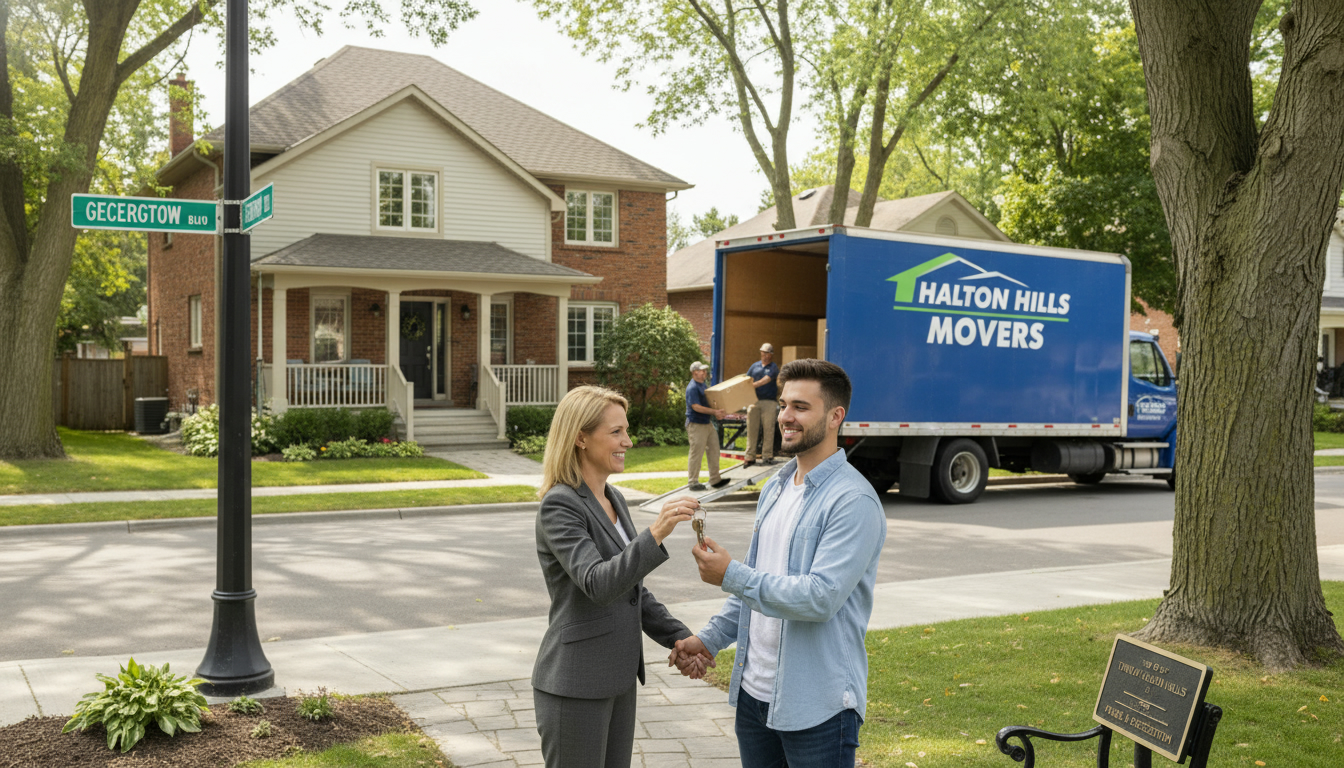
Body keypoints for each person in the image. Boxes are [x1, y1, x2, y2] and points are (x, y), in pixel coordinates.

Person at [670, 360, 887, 766]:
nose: (786, 416)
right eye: (784, 404)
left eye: (801, 407)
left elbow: (819, 598)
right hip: (754, 699)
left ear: (836, 416)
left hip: (818, 708)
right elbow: (753, 587)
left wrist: (730, 574)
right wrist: (710, 638)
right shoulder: (776, 487)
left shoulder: (852, 502)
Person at [532, 385, 704, 768]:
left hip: (619, 678)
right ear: (580, 437)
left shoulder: (613, 498)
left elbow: (631, 590)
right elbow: (598, 583)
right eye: (616, 432)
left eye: (626, 431)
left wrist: (680, 636)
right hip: (576, 684)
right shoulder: (559, 504)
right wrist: (655, 534)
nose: (628, 441)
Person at [686, 361, 730, 492]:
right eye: (702, 370)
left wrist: (718, 412)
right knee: (696, 453)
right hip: (696, 424)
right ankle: (693, 482)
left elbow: (707, 403)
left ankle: (715, 479)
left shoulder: (702, 385)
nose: (705, 372)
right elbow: (696, 407)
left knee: (714, 449)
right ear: (695, 373)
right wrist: (714, 412)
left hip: (707, 423)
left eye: (705, 370)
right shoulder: (692, 387)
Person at [744, 343, 780, 467]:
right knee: (751, 429)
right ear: (761, 353)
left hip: (769, 402)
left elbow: (767, 380)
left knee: (768, 429)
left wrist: (753, 386)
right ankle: (750, 456)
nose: (765, 356)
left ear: (771, 355)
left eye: (768, 353)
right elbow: (746, 379)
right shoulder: (754, 366)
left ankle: (767, 456)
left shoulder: (774, 367)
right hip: (754, 401)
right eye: (763, 353)